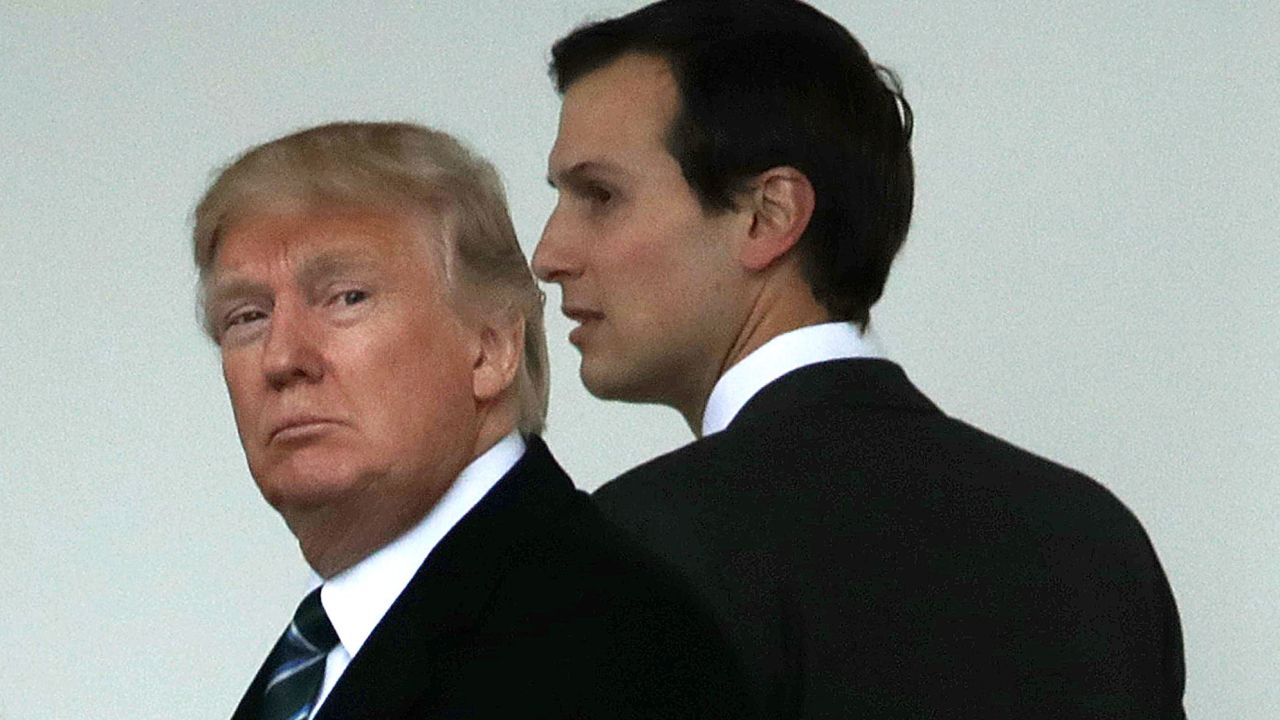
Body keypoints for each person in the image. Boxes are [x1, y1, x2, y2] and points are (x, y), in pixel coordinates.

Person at [532, 1, 1186, 717]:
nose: (550, 255)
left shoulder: (643, 545)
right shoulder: (1094, 541)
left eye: (599, 195)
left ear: (770, 214)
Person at [194, 121, 752, 719]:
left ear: (491, 349)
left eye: (346, 297)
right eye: (247, 317)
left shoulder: (603, 638)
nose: (282, 359)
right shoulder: (321, 654)